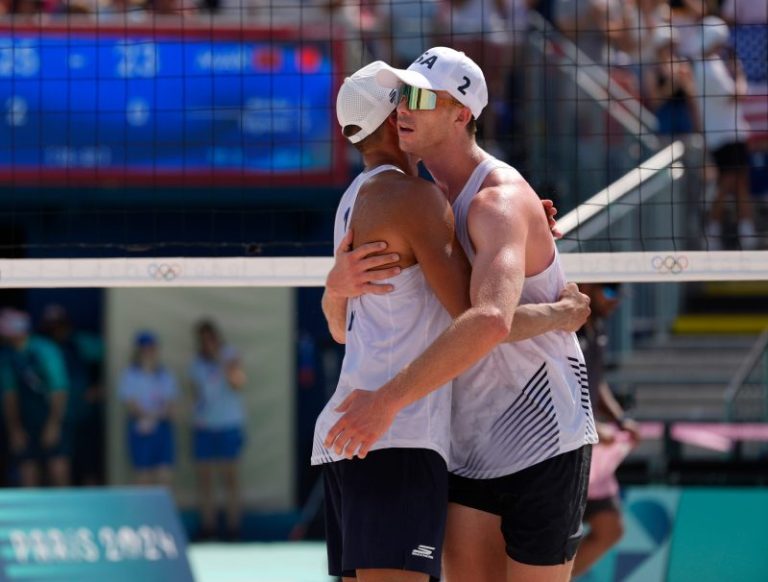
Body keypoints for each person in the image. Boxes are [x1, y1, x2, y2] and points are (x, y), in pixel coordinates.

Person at [323, 47, 598, 581]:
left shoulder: (497, 201)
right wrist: (336, 286)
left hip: (543, 431)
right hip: (462, 439)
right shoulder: (415, 200)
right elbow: (343, 329)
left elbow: (490, 320)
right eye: (402, 94)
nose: (404, 107)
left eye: (423, 98)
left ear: (461, 113)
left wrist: (387, 400)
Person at [572, 283, 641, 577]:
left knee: (610, 528)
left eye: (618, 295)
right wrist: (595, 427)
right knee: (557, 538)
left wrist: (619, 419)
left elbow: (595, 383)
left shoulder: (596, 330)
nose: (615, 302)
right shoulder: (567, 330)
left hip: (588, 450)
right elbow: (559, 389)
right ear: (586, 286)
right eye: (610, 292)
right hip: (564, 451)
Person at [691, 16, 756, 250]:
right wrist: (739, 74)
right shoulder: (711, 66)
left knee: (738, 183)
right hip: (727, 135)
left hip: (726, 134)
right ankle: (715, 230)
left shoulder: (704, 65)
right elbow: (738, 94)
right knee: (730, 182)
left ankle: (744, 232)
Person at [188, 319, 247, 541]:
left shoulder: (229, 355)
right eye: (203, 339)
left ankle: (233, 526)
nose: (207, 343)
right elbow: (195, 394)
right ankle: (208, 525)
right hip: (205, 425)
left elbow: (238, 383)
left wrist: (222, 361)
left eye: (210, 338)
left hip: (228, 424)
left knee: (229, 477)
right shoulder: (196, 364)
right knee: (205, 479)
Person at [0, 308, 71, 487]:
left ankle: (64, 513)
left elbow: (59, 390)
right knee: (27, 467)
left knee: (57, 465)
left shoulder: (44, 350)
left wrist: (53, 424)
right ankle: (31, 515)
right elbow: (9, 394)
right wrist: (15, 429)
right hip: (26, 419)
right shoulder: (7, 355)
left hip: (50, 415)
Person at [39, 304, 105, 486]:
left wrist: (99, 387)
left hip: (84, 414)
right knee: (58, 461)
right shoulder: (42, 348)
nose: (56, 331)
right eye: (51, 327)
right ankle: (62, 507)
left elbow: (111, 355)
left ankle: (92, 508)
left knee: (89, 463)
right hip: (58, 415)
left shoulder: (81, 343)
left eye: (59, 325)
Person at [118, 331, 178, 487]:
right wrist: (152, 416)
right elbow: (131, 406)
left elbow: (171, 407)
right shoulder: (130, 375)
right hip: (141, 429)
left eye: (151, 349)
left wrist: (155, 416)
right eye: (144, 349)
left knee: (164, 478)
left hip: (162, 429)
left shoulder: (165, 375)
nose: (148, 353)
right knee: (143, 479)